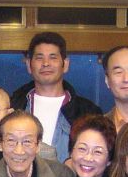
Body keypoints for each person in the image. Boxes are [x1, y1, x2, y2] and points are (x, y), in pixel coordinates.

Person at [10, 31, 101, 162]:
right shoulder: (13, 107)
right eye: (39, 58)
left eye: (53, 57)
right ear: (29, 65)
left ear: (66, 64)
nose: (46, 63)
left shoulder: (88, 112)